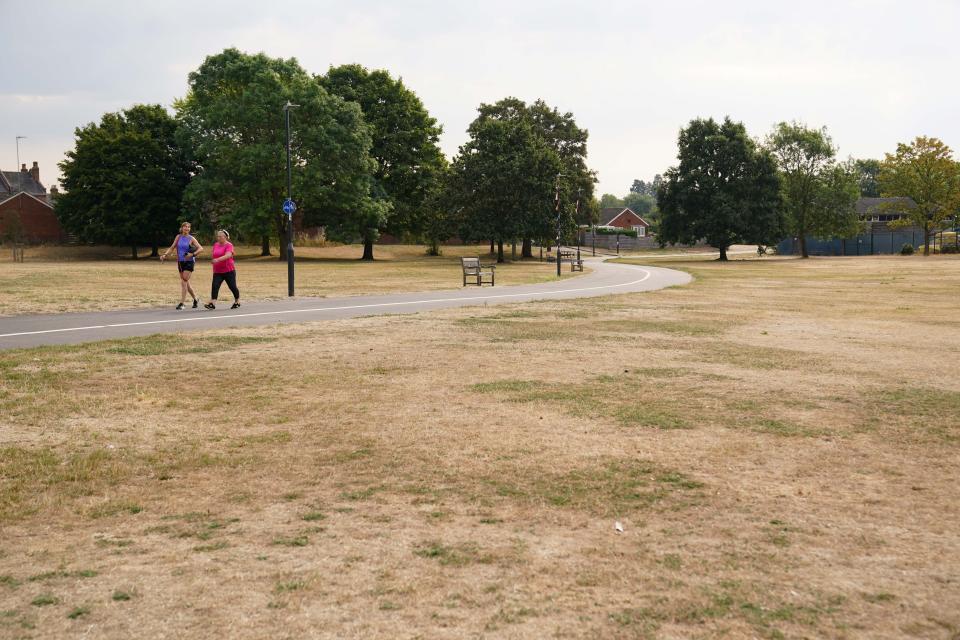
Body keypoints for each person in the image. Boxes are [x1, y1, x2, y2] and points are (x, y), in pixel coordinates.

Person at [160, 221, 203, 310]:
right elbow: (172, 247)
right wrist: (165, 255)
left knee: (183, 281)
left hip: (189, 262)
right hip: (180, 262)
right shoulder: (178, 237)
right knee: (186, 283)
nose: (187, 228)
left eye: (188, 227)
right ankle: (195, 299)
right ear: (182, 228)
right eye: (185, 227)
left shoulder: (191, 238)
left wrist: (192, 254)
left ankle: (182, 303)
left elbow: (201, 248)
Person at [205, 229, 240, 310]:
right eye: (218, 236)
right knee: (215, 286)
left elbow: (228, 255)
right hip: (217, 271)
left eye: (220, 236)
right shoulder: (216, 245)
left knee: (232, 287)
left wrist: (218, 260)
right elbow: (214, 254)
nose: (218, 238)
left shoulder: (229, 245)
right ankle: (212, 303)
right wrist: (214, 261)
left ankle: (237, 301)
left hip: (229, 270)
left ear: (225, 237)